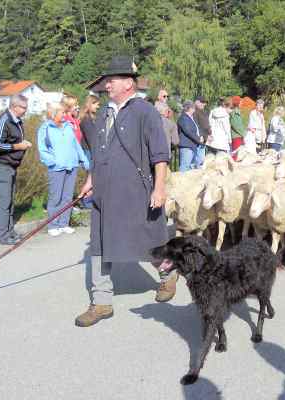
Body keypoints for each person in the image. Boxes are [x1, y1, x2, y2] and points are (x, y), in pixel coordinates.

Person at [75, 55, 171, 327]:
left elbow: (160, 155)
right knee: (100, 242)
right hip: (104, 190)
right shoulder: (105, 112)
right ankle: (102, 302)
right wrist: (90, 179)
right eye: (106, 81)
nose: (107, 85)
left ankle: (167, 274)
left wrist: (159, 188)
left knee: (146, 237)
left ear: (128, 83)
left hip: (135, 190)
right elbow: (100, 151)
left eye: (112, 80)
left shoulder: (145, 111)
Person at [37, 102, 89, 236]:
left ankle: (64, 223)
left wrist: (83, 159)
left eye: (65, 112)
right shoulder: (46, 128)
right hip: (57, 168)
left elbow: (76, 145)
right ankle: (53, 225)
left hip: (72, 165)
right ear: (54, 113)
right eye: (62, 112)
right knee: (56, 197)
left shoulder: (68, 126)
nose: (65, 115)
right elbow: (42, 148)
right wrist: (52, 162)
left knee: (67, 197)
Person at [0, 94, 32, 245]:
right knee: (3, 203)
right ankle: (3, 236)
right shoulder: (3, 120)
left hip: (12, 166)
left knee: (10, 201)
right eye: (24, 108)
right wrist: (17, 146)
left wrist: (22, 143)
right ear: (15, 106)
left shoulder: (17, 121)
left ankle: (9, 232)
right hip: (1, 166)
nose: (26, 111)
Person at [79, 94, 101, 209]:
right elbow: (91, 138)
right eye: (96, 104)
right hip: (89, 151)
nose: (98, 107)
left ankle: (88, 199)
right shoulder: (86, 120)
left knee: (91, 176)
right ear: (90, 104)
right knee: (91, 176)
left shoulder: (92, 118)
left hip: (91, 150)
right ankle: (86, 201)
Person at [177, 100, 204, 172]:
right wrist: (198, 139)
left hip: (192, 145)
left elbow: (196, 129)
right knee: (185, 167)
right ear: (189, 108)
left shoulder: (190, 118)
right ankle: (181, 182)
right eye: (193, 108)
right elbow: (188, 131)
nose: (194, 110)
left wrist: (200, 136)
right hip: (187, 146)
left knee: (190, 168)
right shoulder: (183, 118)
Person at [193, 96, 210, 164]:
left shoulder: (203, 112)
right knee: (197, 163)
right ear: (196, 102)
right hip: (198, 140)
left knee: (201, 162)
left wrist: (209, 134)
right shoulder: (194, 112)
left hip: (204, 140)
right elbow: (196, 126)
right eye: (202, 102)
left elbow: (206, 125)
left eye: (205, 103)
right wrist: (201, 136)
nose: (204, 104)